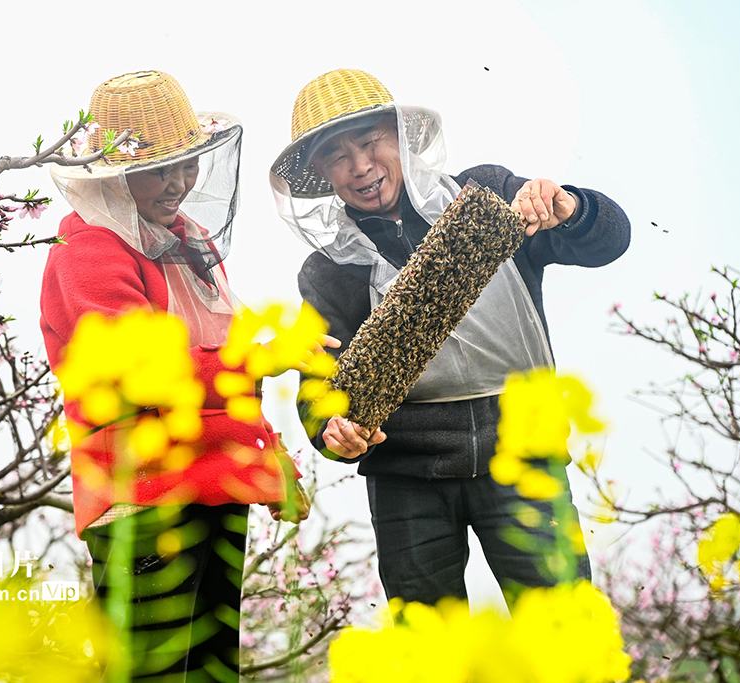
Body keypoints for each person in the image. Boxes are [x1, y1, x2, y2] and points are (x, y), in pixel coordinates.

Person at [270, 68, 630, 607]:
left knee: (562, 631)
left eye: (370, 142)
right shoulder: (328, 270)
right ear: (322, 174)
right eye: (338, 157)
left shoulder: (486, 194)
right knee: (429, 649)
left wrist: (569, 208)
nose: (362, 166)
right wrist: (334, 432)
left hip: (524, 455)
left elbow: (609, 240)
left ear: (401, 137)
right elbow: (317, 393)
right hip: (407, 480)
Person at [40, 71, 307, 682]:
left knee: (212, 670)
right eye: (160, 169)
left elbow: (226, 359)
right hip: (141, 494)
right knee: (148, 671)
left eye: (185, 165)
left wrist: (268, 452)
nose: (179, 183)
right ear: (112, 172)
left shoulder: (189, 242)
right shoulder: (90, 253)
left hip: (216, 482)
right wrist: (264, 358)